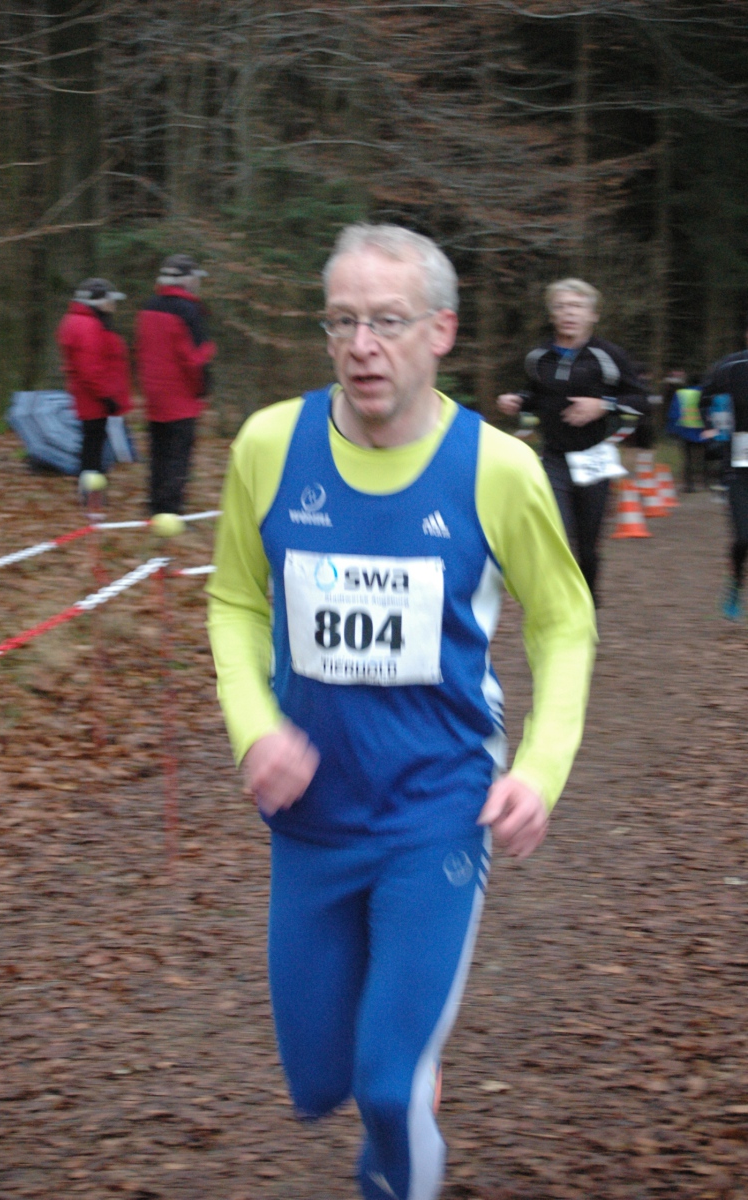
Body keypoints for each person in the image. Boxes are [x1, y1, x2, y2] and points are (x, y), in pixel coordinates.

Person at [207, 224, 596, 1200]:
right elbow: (235, 601)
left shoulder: (496, 469)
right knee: (318, 1080)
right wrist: (254, 725)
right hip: (309, 817)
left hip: (436, 809)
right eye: (340, 321)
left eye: (385, 321)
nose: (360, 346)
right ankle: (400, 1077)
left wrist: (538, 770)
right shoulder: (269, 446)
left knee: (387, 1086)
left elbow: (563, 626)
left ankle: (402, 1138)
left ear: (440, 331)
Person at [497, 280, 648, 605]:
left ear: (593, 315)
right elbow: (536, 395)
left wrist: (603, 405)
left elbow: (640, 400)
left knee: (587, 547)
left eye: (577, 307)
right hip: (554, 458)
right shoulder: (538, 357)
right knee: (557, 537)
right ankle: (561, 607)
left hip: (594, 458)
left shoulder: (609, 355)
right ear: (553, 314)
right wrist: (518, 400)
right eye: (561, 306)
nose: (569, 313)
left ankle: (588, 599)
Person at [135, 253, 217, 517]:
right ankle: (170, 510)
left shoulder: (148, 306)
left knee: (158, 452)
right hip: (181, 396)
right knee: (178, 455)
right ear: (187, 280)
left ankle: (154, 505)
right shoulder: (189, 311)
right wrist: (203, 389)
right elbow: (195, 359)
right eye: (195, 278)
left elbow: (142, 351)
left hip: (154, 394)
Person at [56, 278, 132, 502]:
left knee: (93, 444)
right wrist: (107, 396)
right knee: (93, 447)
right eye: (110, 300)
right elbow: (90, 369)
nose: (114, 305)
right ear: (98, 302)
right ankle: (91, 494)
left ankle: (91, 491)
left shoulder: (83, 321)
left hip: (91, 394)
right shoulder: (87, 325)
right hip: (94, 397)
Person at [699, 315, 748, 620]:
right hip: (739, 461)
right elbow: (705, 400)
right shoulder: (730, 367)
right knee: (743, 537)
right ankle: (735, 583)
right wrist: (714, 430)